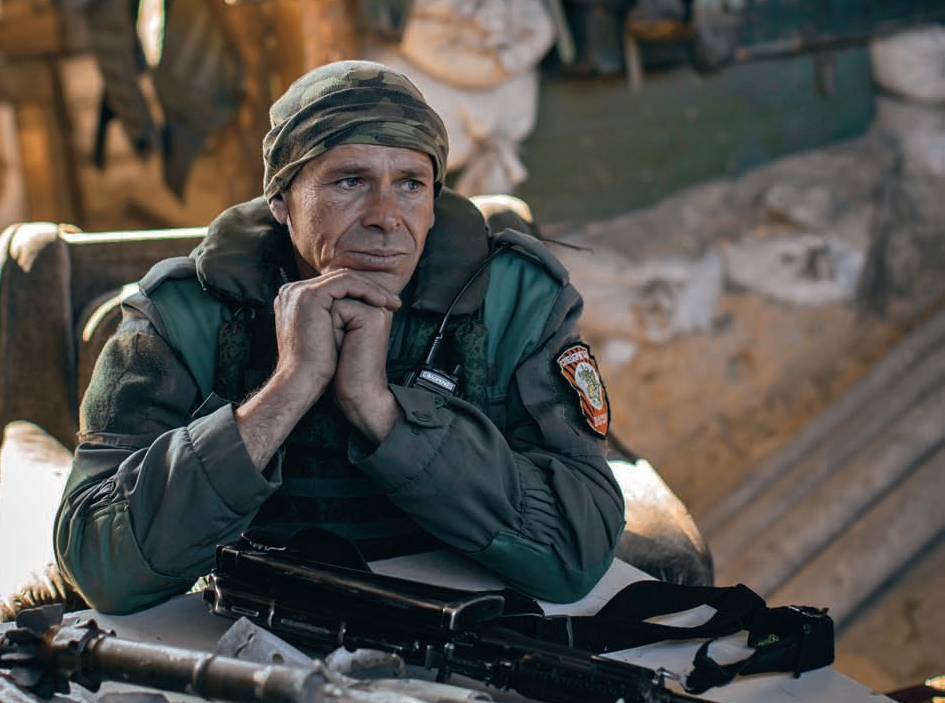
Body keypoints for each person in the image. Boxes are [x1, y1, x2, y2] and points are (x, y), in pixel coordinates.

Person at [54, 61, 625, 614]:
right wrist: (286, 389)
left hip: (466, 624)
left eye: (411, 185)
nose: (386, 217)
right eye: (351, 181)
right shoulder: (184, 314)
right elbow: (101, 565)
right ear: (281, 201)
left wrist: (382, 412)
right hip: (242, 631)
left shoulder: (516, 303)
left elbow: (577, 551)